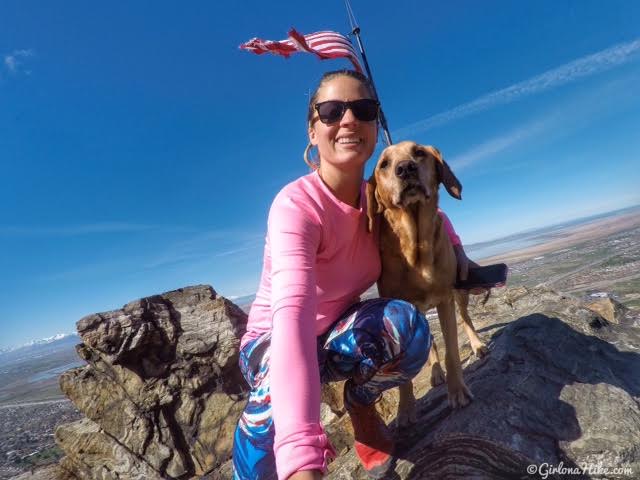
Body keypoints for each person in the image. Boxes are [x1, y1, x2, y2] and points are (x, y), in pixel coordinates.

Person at [232, 69, 479, 480]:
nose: (347, 120)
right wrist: (301, 458)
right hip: (276, 340)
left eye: (362, 109)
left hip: (335, 338)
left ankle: (361, 403)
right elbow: (291, 318)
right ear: (313, 131)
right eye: (330, 111)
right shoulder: (296, 207)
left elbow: (429, 208)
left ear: (373, 125)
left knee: (409, 327)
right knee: (276, 403)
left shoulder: (377, 200)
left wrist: (455, 245)